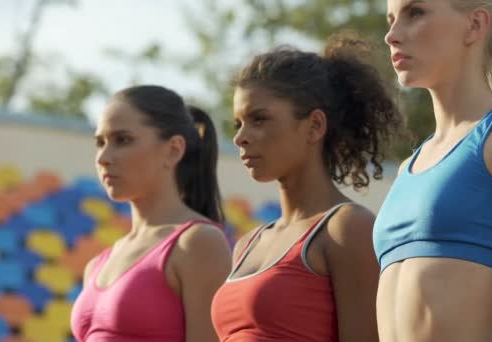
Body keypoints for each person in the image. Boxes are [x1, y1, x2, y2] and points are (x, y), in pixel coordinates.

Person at [373, 1, 492, 341]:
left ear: (475, 24)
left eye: (414, 13)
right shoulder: (407, 167)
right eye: (391, 19)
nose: (391, 35)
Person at [211, 32, 404, 341]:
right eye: (238, 124)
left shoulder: (347, 228)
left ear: (315, 125)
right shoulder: (247, 245)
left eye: (259, 119)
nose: (240, 138)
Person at [70, 85, 231, 342]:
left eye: (123, 140)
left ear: (173, 150)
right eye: (100, 142)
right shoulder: (97, 265)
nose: (103, 157)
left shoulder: (198, 243)